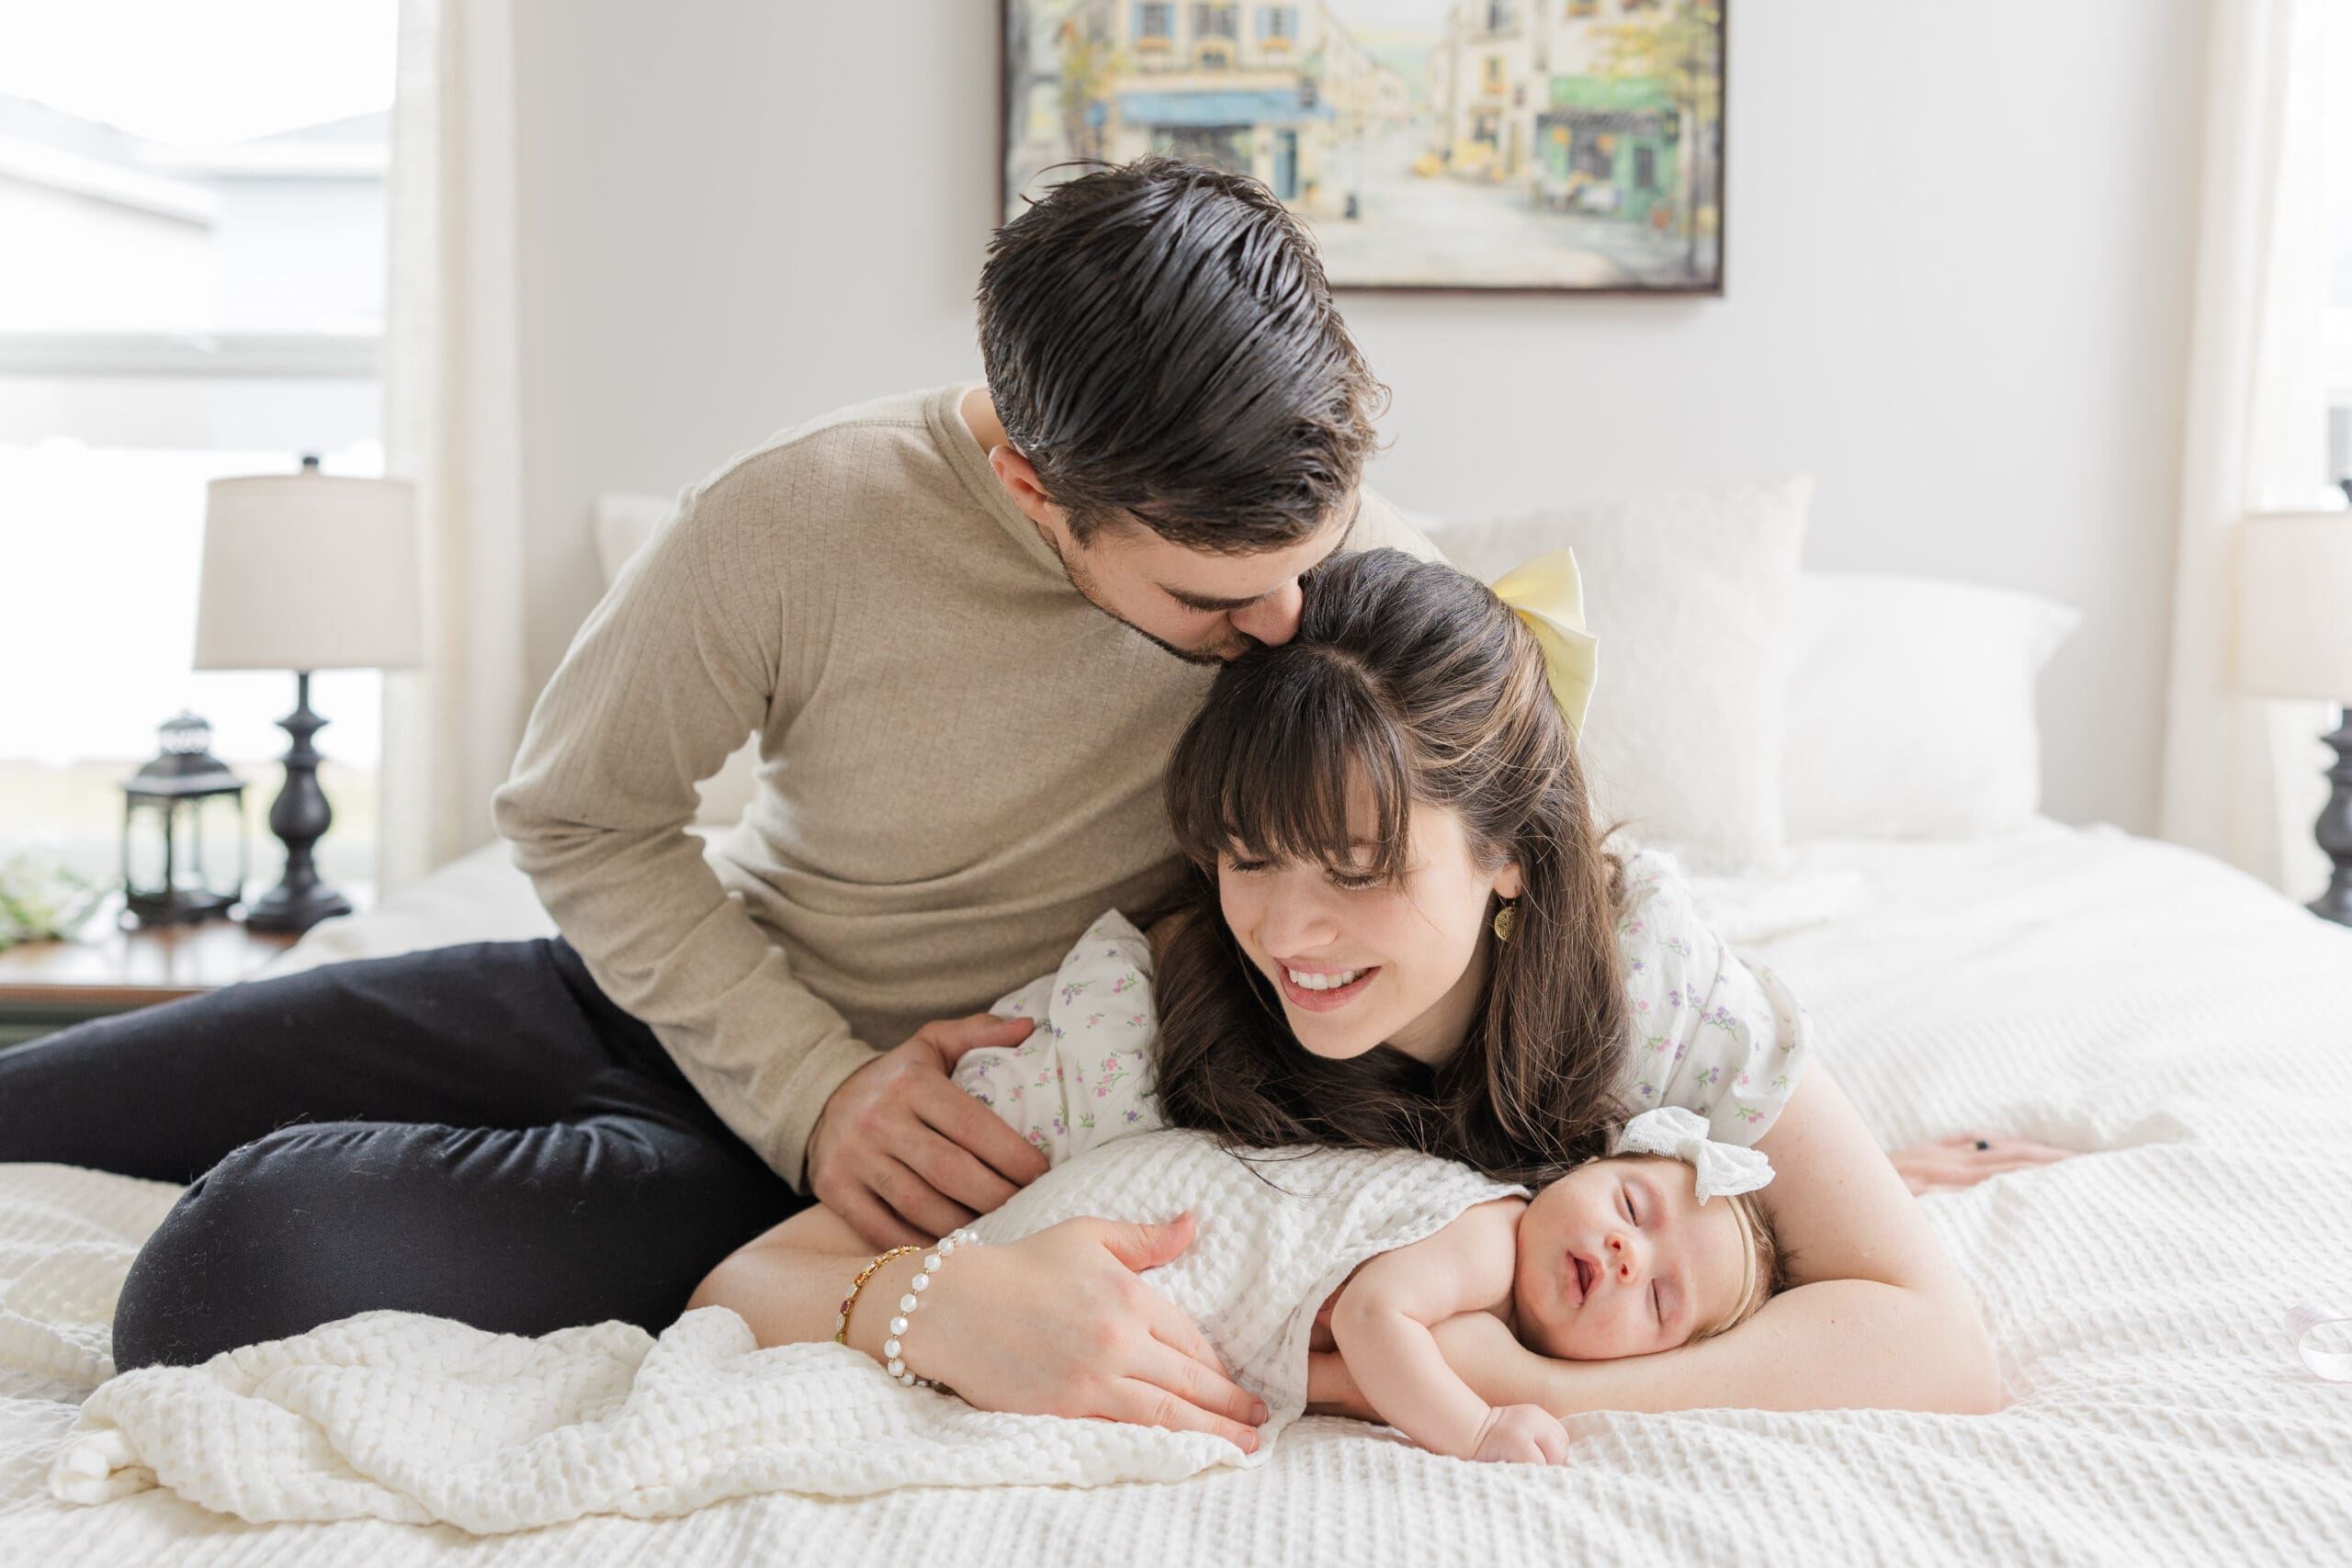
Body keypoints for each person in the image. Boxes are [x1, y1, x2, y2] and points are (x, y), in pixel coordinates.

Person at [0, 157, 1426, 1435]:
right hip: (667, 1002)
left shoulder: (1366, 596)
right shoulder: (796, 515)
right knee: (40, 1098)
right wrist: (814, 1089)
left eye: (1323, 545)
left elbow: (1520, 863)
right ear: (1029, 481)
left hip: (825, 1178)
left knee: (229, 1268)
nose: (1295, 623)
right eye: (1210, 597)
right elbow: (577, 814)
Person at [685, 550, 2035, 1443]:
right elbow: (753, 1281)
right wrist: (942, 1306)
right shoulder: (1128, 1032)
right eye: (1251, 857)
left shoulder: (1647, 987)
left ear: (1507, 855)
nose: (1291, 932)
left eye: (1362, 868)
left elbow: (1937, 1351)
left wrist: (1535, 1388)